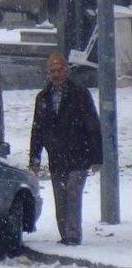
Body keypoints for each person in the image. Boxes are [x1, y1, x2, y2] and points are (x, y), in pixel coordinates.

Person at [29, 52, 102, 246]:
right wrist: (34, 160)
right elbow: (37, 130)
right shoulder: (43, 98)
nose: (55, 74)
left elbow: (92, 125)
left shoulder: (80, 94)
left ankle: (73, 235)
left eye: (59, 70)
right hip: (57, 156)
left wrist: (96, 157)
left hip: (78, 154)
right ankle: (65, 234)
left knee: (73, 192)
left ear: (66, 70)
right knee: (60, 197)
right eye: (51, 71)